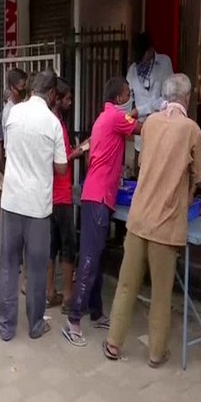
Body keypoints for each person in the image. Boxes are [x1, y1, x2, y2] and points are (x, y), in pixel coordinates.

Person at [103, 74, 201, 367]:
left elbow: (141, 162)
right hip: (166, 224)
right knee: (161, 294)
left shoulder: (150, 124)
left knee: (126, 285)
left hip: (138, 219)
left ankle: (113, 343)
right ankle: (156, 354)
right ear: (186, 99)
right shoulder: (192, 130)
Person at [62, 76, 139, 348]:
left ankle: (95, 312)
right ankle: (73, 321)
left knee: (98, 257)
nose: (130, 97)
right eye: (128, 94)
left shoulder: (103, 119)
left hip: (96, 196)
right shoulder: (116, 118)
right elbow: (139, 128)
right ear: (119, 98)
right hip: (97, 198)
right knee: (91, 260)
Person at [0, 70, 67, 342]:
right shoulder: (52, 123)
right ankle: (35, 325)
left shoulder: (13, 113)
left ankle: (5, 327)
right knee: (36, 271)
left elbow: (10, 148)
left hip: (11, 202)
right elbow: (60, 168)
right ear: (51, 94)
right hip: (38, 209)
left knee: (8, 266)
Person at [48, 77, 85, 311]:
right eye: (68, 99)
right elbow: (58, 161)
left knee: (51, 245)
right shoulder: (55, 125)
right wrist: (78, 152)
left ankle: (50, 292)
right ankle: (69, 297)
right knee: (68, 245)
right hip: (60, 194)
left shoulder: (54, 122)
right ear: (57, 99)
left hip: (50, 195)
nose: (71, 103)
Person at [126, 32, 174, 158]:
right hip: (141, 135)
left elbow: (168, 97)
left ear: (151, 50)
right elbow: (129, 97)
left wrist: (141, 110)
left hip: (161, 129)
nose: (141, 60)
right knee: (141, 172)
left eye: (144, 55)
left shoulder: (164, 63)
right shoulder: (132, 70)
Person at [1, 67, 28, 147]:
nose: (24, 90)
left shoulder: (25, 105)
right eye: (21, 87)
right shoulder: (9, 111)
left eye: (25, 87)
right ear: (12, 87)